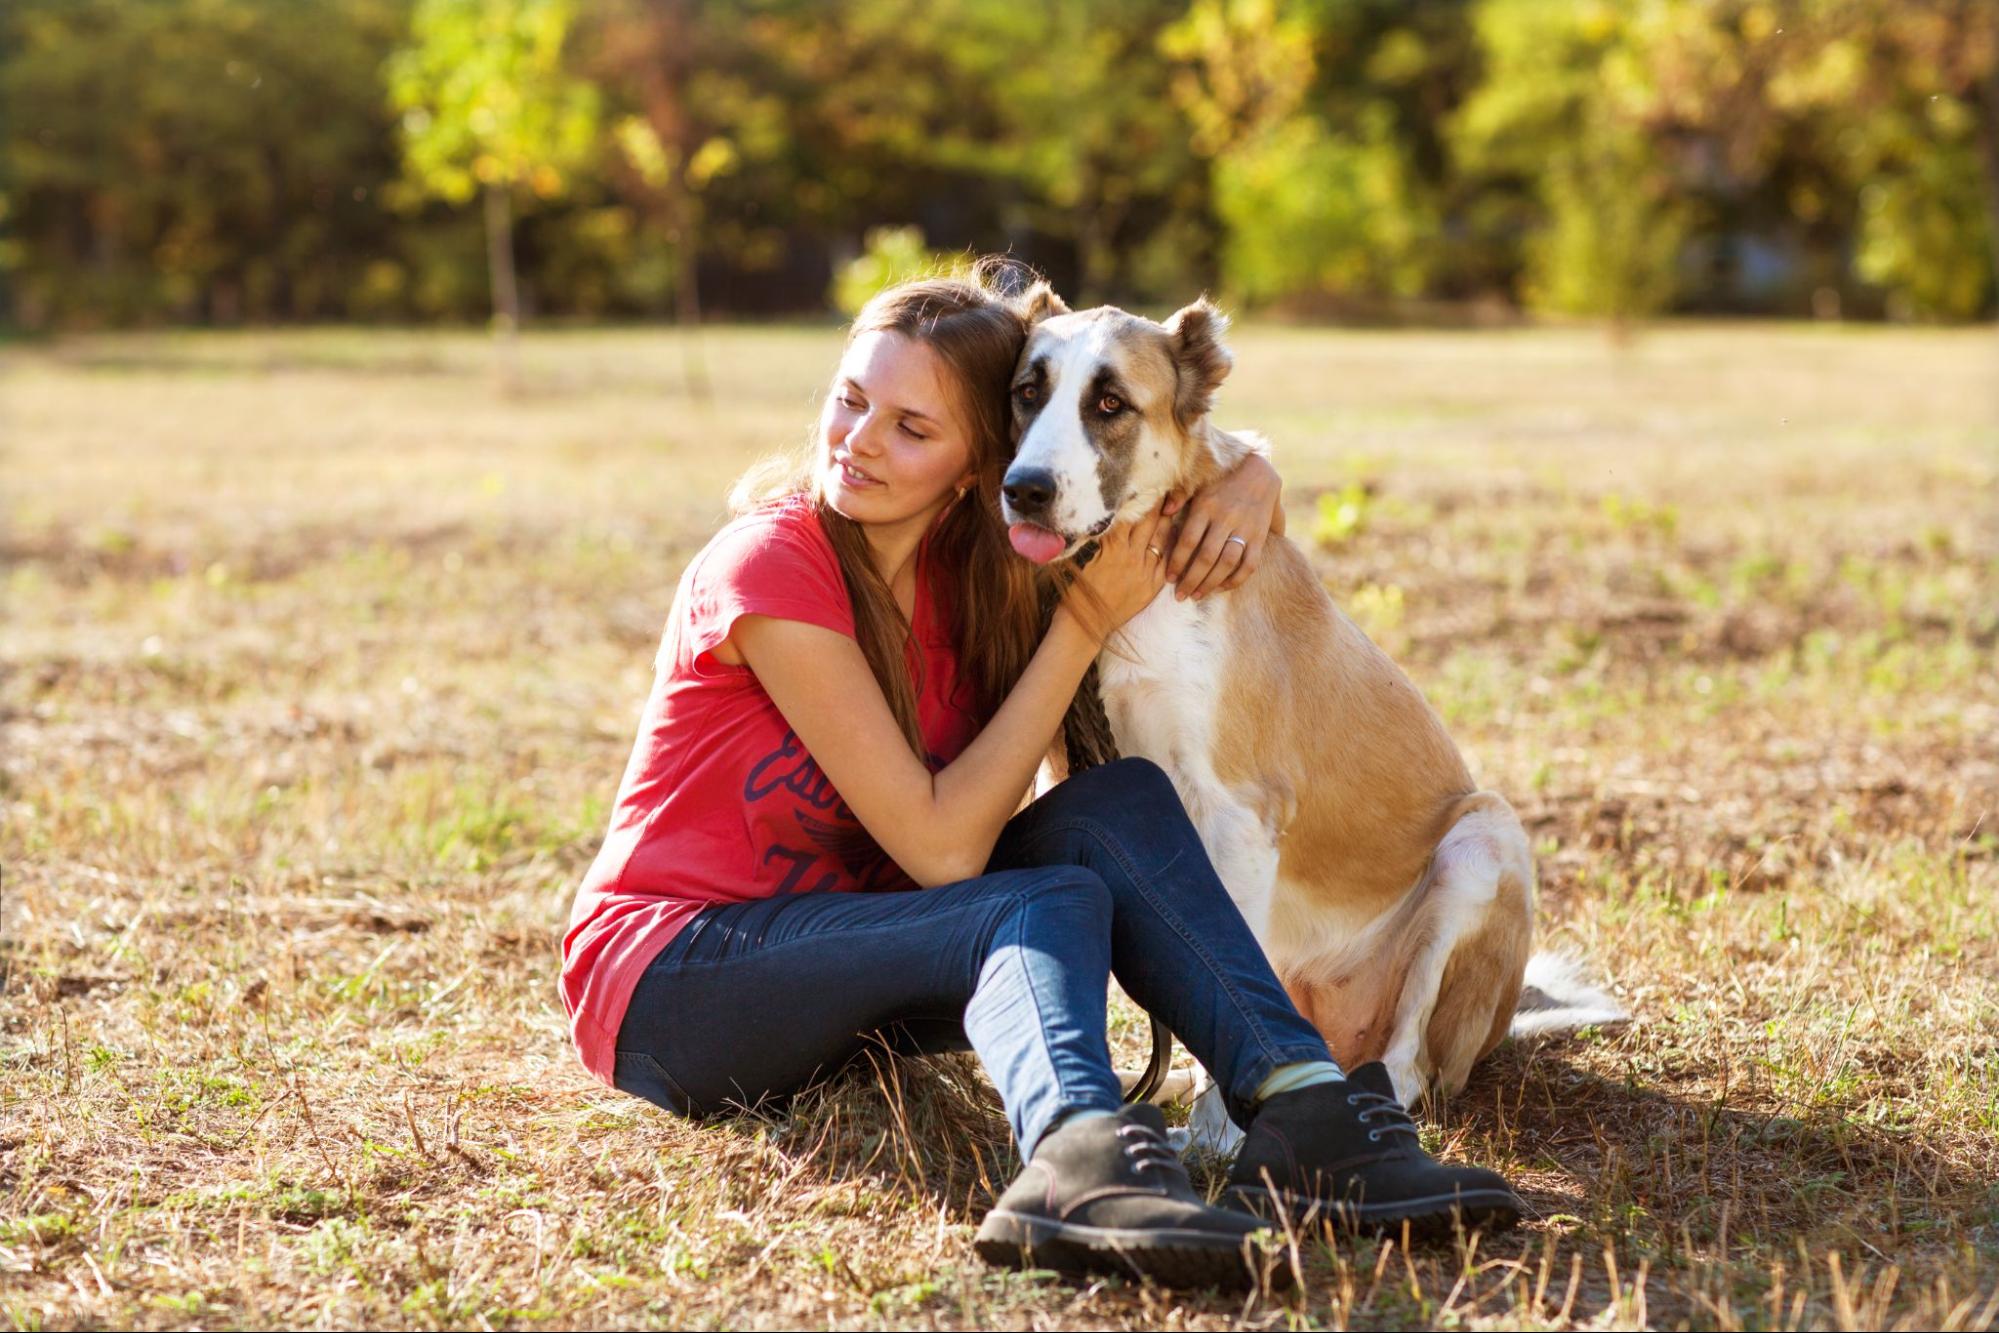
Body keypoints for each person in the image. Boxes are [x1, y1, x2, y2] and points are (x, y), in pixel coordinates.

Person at [560, 265, 1523, 1288]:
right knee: (1039, 897)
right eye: (849, 401)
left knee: (1120, 808)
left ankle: (1304, 1114)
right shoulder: (773, 565)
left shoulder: (983, 571)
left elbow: (1158, 436)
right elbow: (941, 852)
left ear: (984, 456)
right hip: (675, 981)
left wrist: (1251, 473)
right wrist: (1083, 623)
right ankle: (1077, 1159)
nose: (857, 441)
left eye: (911, 428)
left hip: (845, 952)